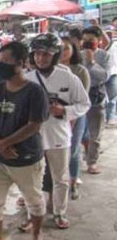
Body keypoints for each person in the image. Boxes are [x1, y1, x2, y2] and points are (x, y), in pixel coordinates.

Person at [0, 41, 49, 240]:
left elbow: (34, 125)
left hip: (27, 159)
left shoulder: (35, 92)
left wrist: (5, 143)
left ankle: (37, 233)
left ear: (21, 63)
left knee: (34, 200)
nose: (0, 66)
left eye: (6, 62)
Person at [25, 34, 90, 229]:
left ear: (55, 56)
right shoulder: (27, 79)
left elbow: (84, 103)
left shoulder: (68, 77)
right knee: (32, 179)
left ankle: (60, 213)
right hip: (32, 136)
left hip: (59, 136)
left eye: (46, 54)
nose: (41, 58)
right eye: (37, 54)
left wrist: (65, 111)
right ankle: (32, 214)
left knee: (60, 177)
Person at [60, 37, 90, 199]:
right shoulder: (50, 69)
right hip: (56, 117)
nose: (63, 51)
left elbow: (83, 100)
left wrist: (73, 117)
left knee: (73, 149)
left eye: (66, 48)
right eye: (60, 48)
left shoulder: (80, 71)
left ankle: (73, 182)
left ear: (73, 50)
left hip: (76, 115)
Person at [81, 26, 110, 174]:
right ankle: (81, 156)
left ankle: (92, 161)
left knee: (95, 133)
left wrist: (91, 62)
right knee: (79, 133)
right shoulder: (77, 55)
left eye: (90, 40)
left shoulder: (104, 56)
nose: (87, 43)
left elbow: (104, 76)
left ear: (98, 41)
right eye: (84, 40)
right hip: (79, 98)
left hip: (96, 98)